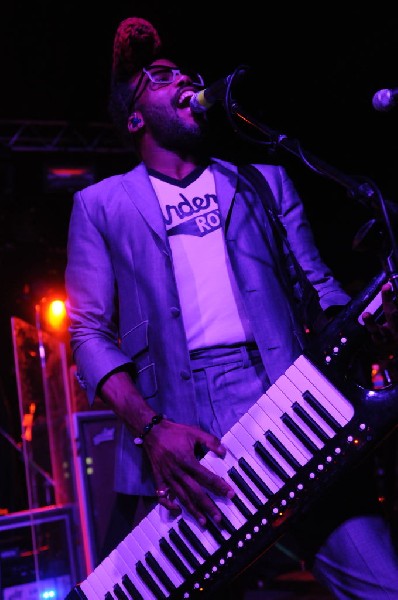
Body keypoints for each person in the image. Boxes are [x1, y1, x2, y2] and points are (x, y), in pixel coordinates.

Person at [65, 16, 398, 599]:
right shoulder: (100, 204)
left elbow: (321, 288)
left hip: (289, 402)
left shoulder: (264, 181)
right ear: (135, 115)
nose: (187, 79)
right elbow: (89, 332)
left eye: (186, 72)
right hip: (176, 427)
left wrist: (368, 324)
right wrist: (150, 429)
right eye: (162, 76)